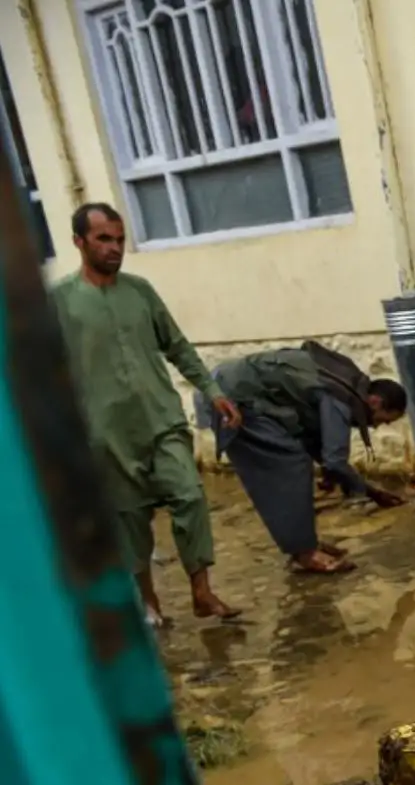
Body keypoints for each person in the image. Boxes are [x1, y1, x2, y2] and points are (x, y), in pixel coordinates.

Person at [50, 202, 239, 626]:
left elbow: (177, 345)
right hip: (106, 433)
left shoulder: (140, 291)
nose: (115, 248)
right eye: (103, 239)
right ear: (79, 242)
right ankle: (148, 601)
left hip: (162, 420)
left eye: (119, 239)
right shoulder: (59, 302)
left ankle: (202, 592)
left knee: (189, 495)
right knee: (130, 521)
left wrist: (211, 390)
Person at [202, 344, 410, 574]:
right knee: (291, 466)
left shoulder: (344, 383)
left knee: (295, 459)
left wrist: (339, 477)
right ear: (375, 402)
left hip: (227, 388)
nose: (378, 426)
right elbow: (334, 460)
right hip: (230, 399)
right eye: (384, 419)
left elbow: (313, 440)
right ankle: (305, 554)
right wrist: (373, 493)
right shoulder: (342, 398)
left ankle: (303, 543)